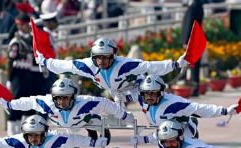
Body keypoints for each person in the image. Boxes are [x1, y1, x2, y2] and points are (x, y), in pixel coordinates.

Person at [35, 37, 189, 107]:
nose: (101, 61)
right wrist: (45, 61)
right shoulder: (87, 65)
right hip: (112, 91)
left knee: (154, 104)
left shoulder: (125, 65)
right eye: (98, 58)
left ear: (113, 57)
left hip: (134, 87)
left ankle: (181, 111)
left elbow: (150, 66)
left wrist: (175, 64)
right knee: (111, 111)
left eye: (105, 58)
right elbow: (65, 65)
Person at [0, 77, 135, 144]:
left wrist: (125, 116)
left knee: (93, 122)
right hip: (62, 124)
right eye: (58, 98)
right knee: (66, 139)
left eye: (66, 98)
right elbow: (28, 101)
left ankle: (98, 129)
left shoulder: (85, 102)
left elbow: (106, 104)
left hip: (83, 120)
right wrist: (10, 105)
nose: (62, 102)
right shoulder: (47, 102)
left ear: (74, 97)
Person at [133, 75, 239, 144]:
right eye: (146, 94)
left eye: (153, 93)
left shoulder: (174, 104)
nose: (149, 97)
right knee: (167, 144)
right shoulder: (141, 98)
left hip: (183, 132)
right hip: (164, 133)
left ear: (161, 93)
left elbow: (198, 109)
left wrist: (225, 111)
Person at [6, 13, 35, 135]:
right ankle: (12, 132)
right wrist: (9, 79)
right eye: (27, 25)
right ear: (21, 26)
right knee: (16, 102)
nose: (29, 27)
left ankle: (25, 130)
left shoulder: (29, 40)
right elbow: (10, 60)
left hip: (27, 75)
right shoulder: (16, 42)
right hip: (18, 74)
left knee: (27, 102)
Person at [181, 0, 204, 96]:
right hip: (196, 38)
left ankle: (193, 88)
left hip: (192, 40)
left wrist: (186, 41)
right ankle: (194, 87)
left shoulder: (194, 7)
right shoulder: (198, 5)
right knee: (194, 65)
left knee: (192, 65)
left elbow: (190, 25)